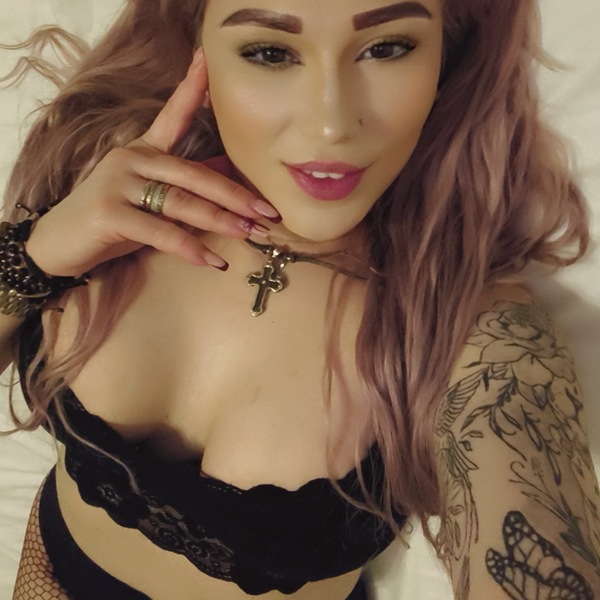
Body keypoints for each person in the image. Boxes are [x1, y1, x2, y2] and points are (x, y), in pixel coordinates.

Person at [1, 0, 599, 598]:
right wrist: (35, 256)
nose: (330, 124)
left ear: (447, 55)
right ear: (197, 48)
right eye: (269, 52)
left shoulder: (470, 332)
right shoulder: (102, 170)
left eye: (387, 48)